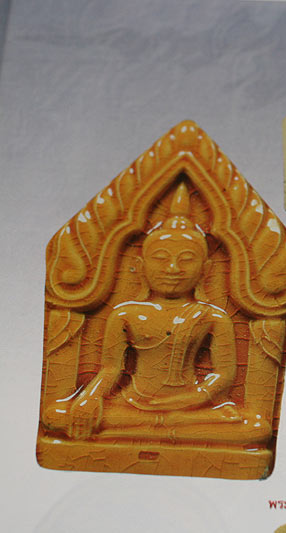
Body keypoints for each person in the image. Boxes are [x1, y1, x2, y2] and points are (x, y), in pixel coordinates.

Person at [43, 183, 269, 444]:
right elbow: (110, 369)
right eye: (160, 258)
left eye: (186, 259)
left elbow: (224, 374)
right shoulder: (126, 314)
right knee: (55, 416)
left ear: (206, 269)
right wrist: (90, 398)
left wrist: (192, 399)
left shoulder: (213, 318)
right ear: (141, 266)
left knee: (256, 428)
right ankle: (166, 429)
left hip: (191, 407)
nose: (172, 268)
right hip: (133, 404)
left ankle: (154, 428)